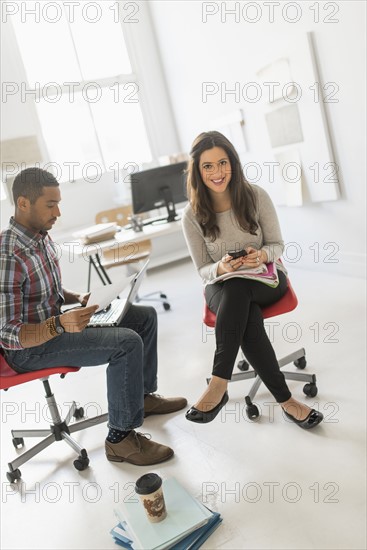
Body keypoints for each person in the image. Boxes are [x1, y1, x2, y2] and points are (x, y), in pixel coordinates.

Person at [0, 167, 187, 465]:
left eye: (58, 203)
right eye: (51, 205)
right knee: (126, 343)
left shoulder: (40, 236)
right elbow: (9, 335)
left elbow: (46, 288)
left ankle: (142, 396)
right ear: (23, 204)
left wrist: (75, 298)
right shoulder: (8, 255)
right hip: (27, 350)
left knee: (144, 317)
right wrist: (59, 323)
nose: (58, 212)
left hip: (55, 327)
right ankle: (120, 439)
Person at [182, 131, 323, 430]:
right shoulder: (191, 215)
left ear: (232, 162)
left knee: (239, 291)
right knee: (242, 308)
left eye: (223, 163)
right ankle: (287, 401)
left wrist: (260, 256)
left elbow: (277, 246)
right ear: (197, 171)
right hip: (221, 285)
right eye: (208, 166)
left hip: (265, 279)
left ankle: (219, 383)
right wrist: (220, 267)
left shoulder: (255, 195)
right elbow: (202, 269)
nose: (217, 172)